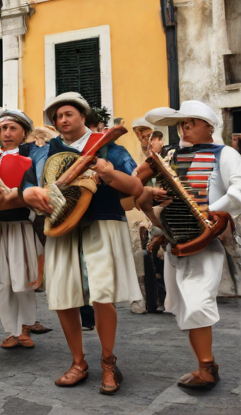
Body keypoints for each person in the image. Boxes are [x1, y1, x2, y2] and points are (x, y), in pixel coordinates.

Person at [21, 92, 144, 394]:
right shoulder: (44, 152)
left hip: (103, 221)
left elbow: (136, 187)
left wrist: (108, 172)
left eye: (68, 114)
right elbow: (27, 183)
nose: (62, 120)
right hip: (61, 224)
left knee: (102, 293)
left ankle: (108, 361)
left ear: (82, 116)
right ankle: (78, 362)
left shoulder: (110, 148)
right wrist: (28, 194)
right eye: (57, 117)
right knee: (63, 294)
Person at [136, 100, 241, 390]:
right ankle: (205, 364)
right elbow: (136, 183)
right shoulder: (168, 155)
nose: (185, 126)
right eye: (182, 122)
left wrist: (211, 213)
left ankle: (206, 368)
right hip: (174, 241)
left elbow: (239, 188)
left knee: (197, 303)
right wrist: (146, 196)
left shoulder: (225, 153)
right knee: (183, 307)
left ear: (209, 126)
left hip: (207, 242)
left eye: (192, 121)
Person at [0, 109, 43, 349]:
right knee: (2, 281)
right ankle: (11, 330)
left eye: (12, 128)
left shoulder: (33, 157)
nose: (6, 133)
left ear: (23, 132)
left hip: (21, 226)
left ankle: (26, 327)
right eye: (2, 129)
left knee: (23, 278)